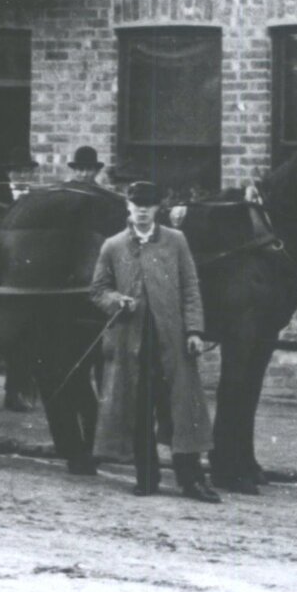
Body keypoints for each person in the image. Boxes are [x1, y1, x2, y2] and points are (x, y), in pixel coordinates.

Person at [91, 181, 222, 501]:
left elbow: (190, 288)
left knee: (182, 409)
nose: (142, 211)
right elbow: (97, 289)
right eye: (137, 206)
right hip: (132, 342)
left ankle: (191, 480)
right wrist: (116, 300)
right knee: (138, 409)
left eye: (148, 206)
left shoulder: (176, 241)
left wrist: (194, 331)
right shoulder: (113, 246)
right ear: (128, 207)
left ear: (157, 209)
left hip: (172, 341)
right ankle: (146, 477)